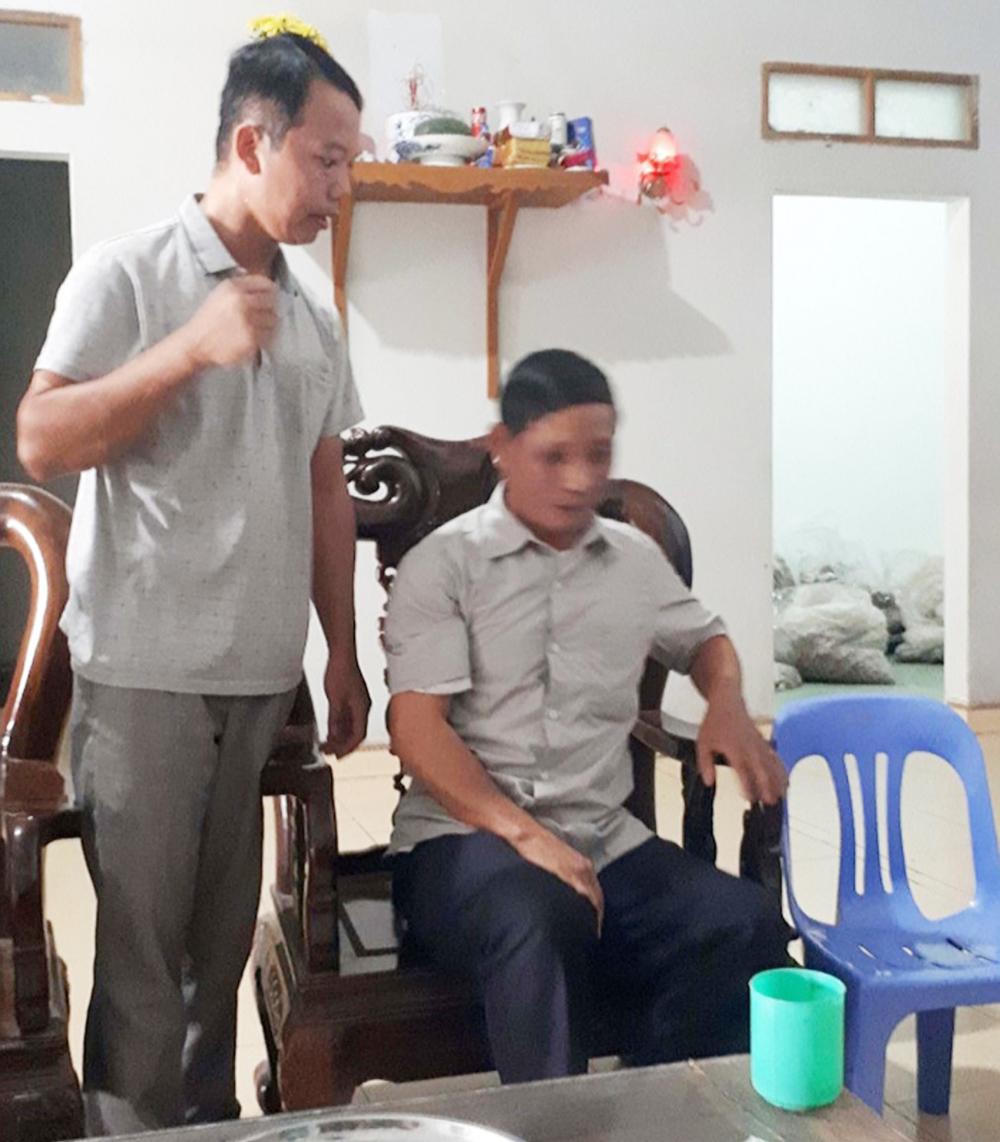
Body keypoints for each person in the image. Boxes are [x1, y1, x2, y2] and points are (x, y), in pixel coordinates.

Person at [16, 25, 369, 1135]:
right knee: (140, 966)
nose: (342, 188)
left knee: (215, 964)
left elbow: (325, 487)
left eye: (351, 163)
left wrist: (342, 651)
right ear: (252, 143)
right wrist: (188, 350)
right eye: (326, 159)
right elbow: (41, 437)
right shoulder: (128, 274)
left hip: (258, 675)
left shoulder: (313, 314)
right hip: (144, 677)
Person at [385, 349, 791, 1083]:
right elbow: (417, 730)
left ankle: (657, 1102)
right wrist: (525, 835)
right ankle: (553, 1125)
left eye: (598, 455)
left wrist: (726, 701)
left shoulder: (633, 560)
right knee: (541, 914)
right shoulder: (445, 565)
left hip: (604, 839)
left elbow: (706, 641)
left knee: (743, 922)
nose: (579, 480)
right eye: (554, 457)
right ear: (502, 447)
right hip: (464, 842)